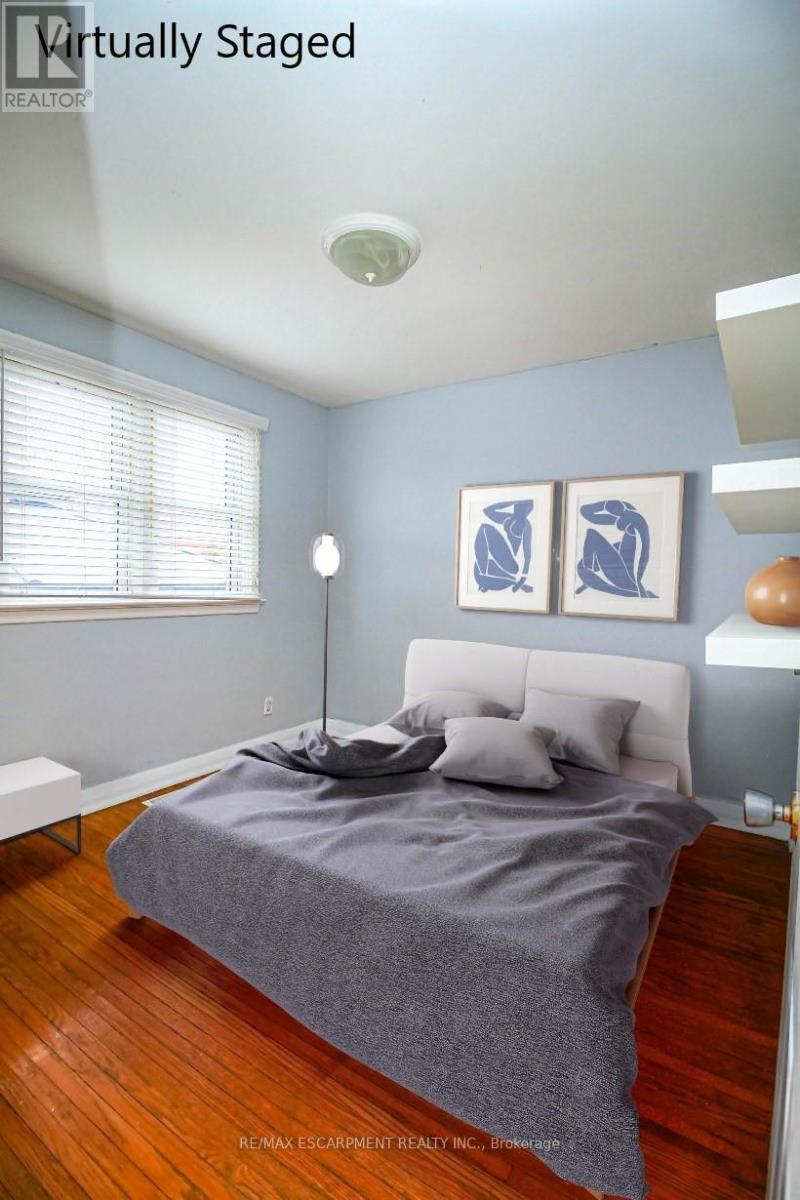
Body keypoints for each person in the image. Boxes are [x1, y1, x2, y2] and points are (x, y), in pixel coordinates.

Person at [575, 500, 657, 599]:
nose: (616, 523)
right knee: (617, 545)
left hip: (624, 577)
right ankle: (591, 575)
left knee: (592, 534)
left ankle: (591, 570)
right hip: (627, 576)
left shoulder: (628, 520)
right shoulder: (636, 523)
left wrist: (604, 506)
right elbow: (587, 513)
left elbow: (586, 512)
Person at [473, 499, 533, 593]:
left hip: (511, 565)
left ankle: (485, 575)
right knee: (483, 529)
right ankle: (484, 575)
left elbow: (527, 553)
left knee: (485, 528)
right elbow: (487, 511)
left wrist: (523, 577)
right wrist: (511, 502)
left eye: (523, 507)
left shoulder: (526, 524)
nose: (519, 509)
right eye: (517, 506)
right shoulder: (508, 518)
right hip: (501, 560)